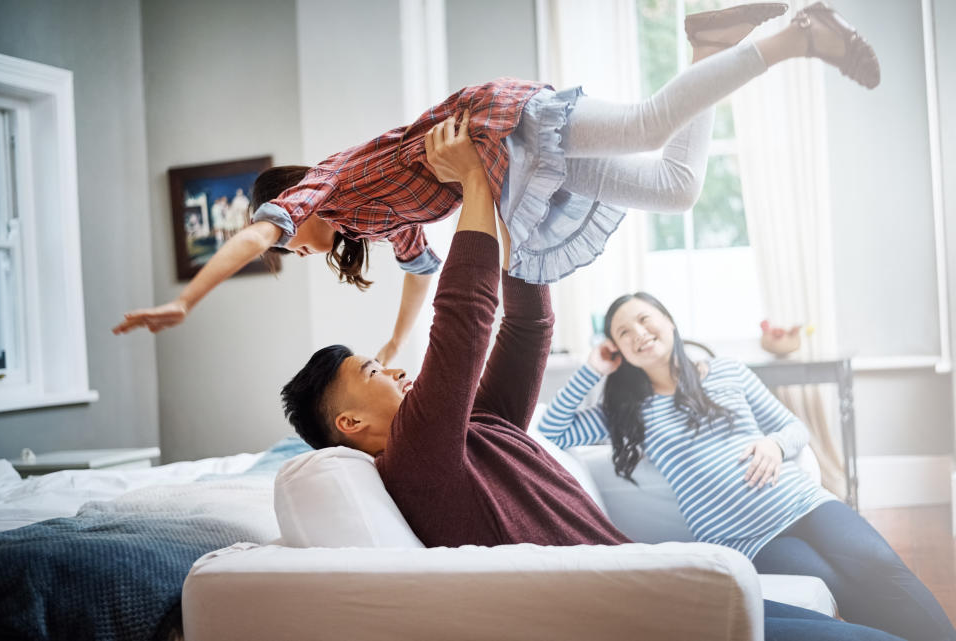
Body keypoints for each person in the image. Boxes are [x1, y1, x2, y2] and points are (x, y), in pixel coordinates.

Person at [279, 106, 902, 641]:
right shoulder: (414, 458)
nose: (392, 368)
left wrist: (505, 201)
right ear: (351, 421)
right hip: (636, 609)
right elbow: (463, 321)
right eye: (371, 370)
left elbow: (526, 331)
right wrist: (470, 181)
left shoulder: (474, 430)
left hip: (655, 583)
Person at [113, 2, 879, 365]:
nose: (297, 247)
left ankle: (791, 36)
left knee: (647, 126)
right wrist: (389, 342)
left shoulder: (326, 183)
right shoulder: (372, 221)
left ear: (290, 197)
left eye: (292, 237)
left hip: (499, 127)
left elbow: (253, 234)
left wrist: (186, 299)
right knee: (676, 186)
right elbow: (421, 275)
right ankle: (713, 38)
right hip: (506, 165)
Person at [538, 291, 956, 641]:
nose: (639, 335)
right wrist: (593, 367)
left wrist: (774, 445)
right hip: (745, 537)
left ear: (669, 320)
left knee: (881, 564)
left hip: (799, 501)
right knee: (840, 585)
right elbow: (552, 430)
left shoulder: (727, 372)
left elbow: (793, 427)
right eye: (623, 334)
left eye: (645, 320)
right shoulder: (628, 411)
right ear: (617, 350)